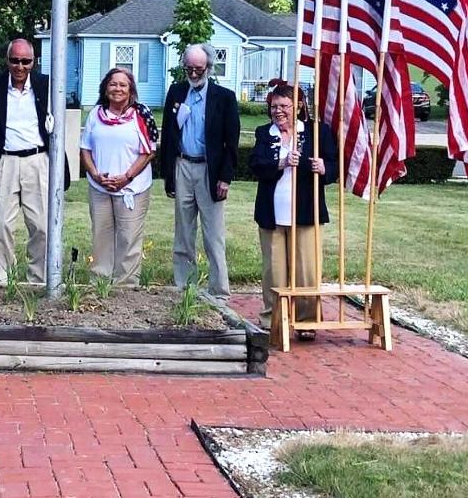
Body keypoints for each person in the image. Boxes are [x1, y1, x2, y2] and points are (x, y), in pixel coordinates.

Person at [0, 38, 69, 283]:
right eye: (15, 60)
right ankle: (4, 280)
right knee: (0, 225)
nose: (20, 66)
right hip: (5, 161)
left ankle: (38, 280)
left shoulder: (47, 86)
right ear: (7, 60)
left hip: (38, 161)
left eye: (25, 61)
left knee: (42, 225)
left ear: (33, 62)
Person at [249, 81, 337, 335]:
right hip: (272, 213)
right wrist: (282, 162)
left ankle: (307, 321)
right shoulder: (264, 133)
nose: (278, 111)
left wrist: (323, 168)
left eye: (284, 106)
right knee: (274, 271)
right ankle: (273, 319)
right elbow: (256, 165)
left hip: (306, 212)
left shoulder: (317, 132)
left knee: (306, 271)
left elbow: (334, 166)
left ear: (298, 106)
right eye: (274, 106)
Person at [160, 44, 240, 296]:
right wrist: (168, 175)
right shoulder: (176, 92)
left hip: (209, 169)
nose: (193, 74)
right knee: (183, 232)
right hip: (183, 165)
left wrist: (225, 177)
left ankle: (219, 291)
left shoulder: (224, 97)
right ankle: (185, 288)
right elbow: (169, 134)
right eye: (189, 69)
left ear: (209, 68)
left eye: (198, 69)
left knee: (213, 234)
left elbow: (232, 142)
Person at [79, 68, 158, 283]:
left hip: (133, 188)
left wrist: (127, 177)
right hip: (100, 188)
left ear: (131, 90)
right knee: (101, 236)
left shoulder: (141, 114)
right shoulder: (95, 114)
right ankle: (100, 282)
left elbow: (149, 151)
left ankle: (126, 285)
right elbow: (85, 149)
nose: (117, 89)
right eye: (113, 84)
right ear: (105, 88)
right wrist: (95, 175)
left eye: (123, 85)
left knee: (128, 237)